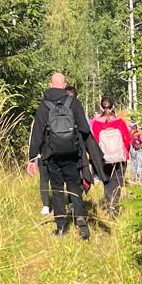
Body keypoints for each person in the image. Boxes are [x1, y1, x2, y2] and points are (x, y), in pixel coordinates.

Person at [28, 73, 103, 239]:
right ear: (64, 85)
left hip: (52, 154)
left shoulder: (44, 106)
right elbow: (84, 128)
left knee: (56, 189)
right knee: (74, 185)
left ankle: (61, 227)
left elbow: (37, 133)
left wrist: (32, 158)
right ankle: (80, 219)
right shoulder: (73, 102)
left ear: (50, 84)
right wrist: (91, 153)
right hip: (72, 153)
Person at [91, 98, 135, 217]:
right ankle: (114, 207)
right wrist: (125, 154)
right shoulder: (120, 122)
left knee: (107, 182)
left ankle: (108, 204)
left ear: (100, 108)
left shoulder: (95, 123)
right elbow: (127, 139)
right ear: (113, 106)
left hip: (104, 159)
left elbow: (93, 141)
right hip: (120, 158)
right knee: (117, 181)